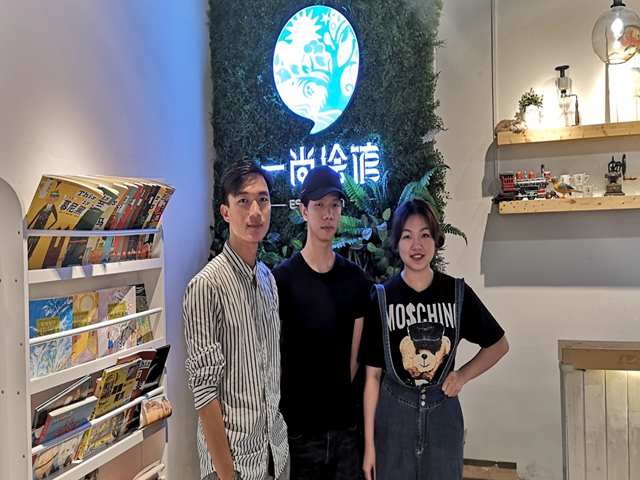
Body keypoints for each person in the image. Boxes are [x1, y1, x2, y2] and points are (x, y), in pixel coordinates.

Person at [359, 198, 509, 480]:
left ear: (436, 240)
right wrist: (369, 446)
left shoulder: (455, 293)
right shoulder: (382, 298)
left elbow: (499, 344)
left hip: (443, 416)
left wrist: (462, 375)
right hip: (393, 419)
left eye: (425, 235)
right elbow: (372, 378)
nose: (416, 245)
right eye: (407, 236)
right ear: (396, 244)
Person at [183, 157, 290, 480]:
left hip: (274, 453)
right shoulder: (206, 286)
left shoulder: (268, 279)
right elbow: (204, 392)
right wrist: (227, 474)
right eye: (243, 201)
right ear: (226, 211)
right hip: (234, 466)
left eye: (262, 200)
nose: (255, 211)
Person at [272, 166, 370, 480]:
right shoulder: (283, 279)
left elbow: (354, 359)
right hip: (299, 432)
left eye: (334, 205)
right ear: (304, 211)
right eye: (319, 205)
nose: (328, 214)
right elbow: (276, 356)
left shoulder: (355, 280)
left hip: (344, 430)